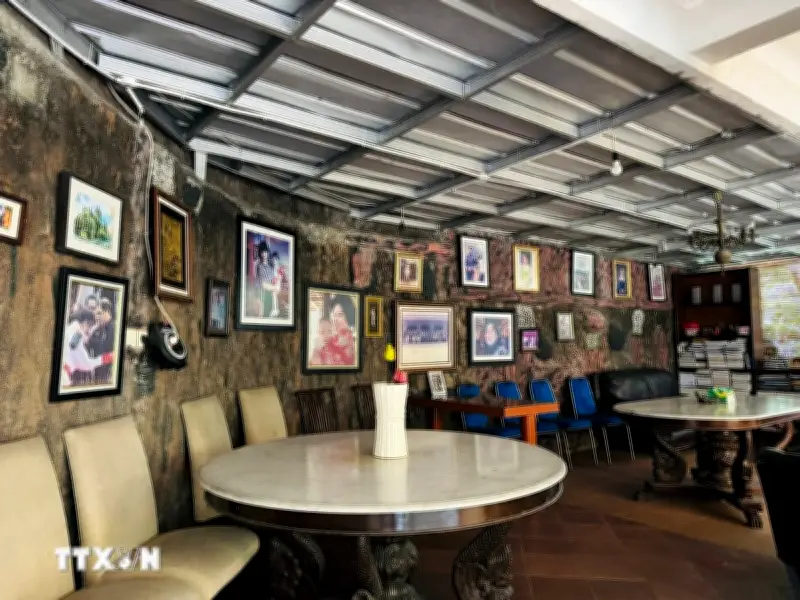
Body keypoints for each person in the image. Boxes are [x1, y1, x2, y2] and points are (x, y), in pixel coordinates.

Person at [62, 309, 111, 387]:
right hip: (63, 375)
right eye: (90, 326)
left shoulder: (69, 329)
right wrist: (107, 358)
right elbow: (86, 364)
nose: (88, 331)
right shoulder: (77, 336)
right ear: (86, 323)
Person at [87, 298, 115, 384]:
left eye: (99, 313)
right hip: (97, 371)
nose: (97, 317)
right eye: (96, 314)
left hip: (107, 374)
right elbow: (88, 345)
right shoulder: (99, 328)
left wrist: (91, 340)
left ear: (106, 311)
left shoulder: (113, 328)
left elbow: (105, 347)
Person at [254, 241, 274, 317]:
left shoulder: (270, 266)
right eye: (262, 252)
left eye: (265, 252)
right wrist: (274, 287)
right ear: (260, 253)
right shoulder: (259, 266)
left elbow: (272, 279)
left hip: (269, 293)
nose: (264, 254)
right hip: (261, 293)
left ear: (268, 252)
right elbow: (263, 283)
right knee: (261, 314)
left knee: (269, 312)